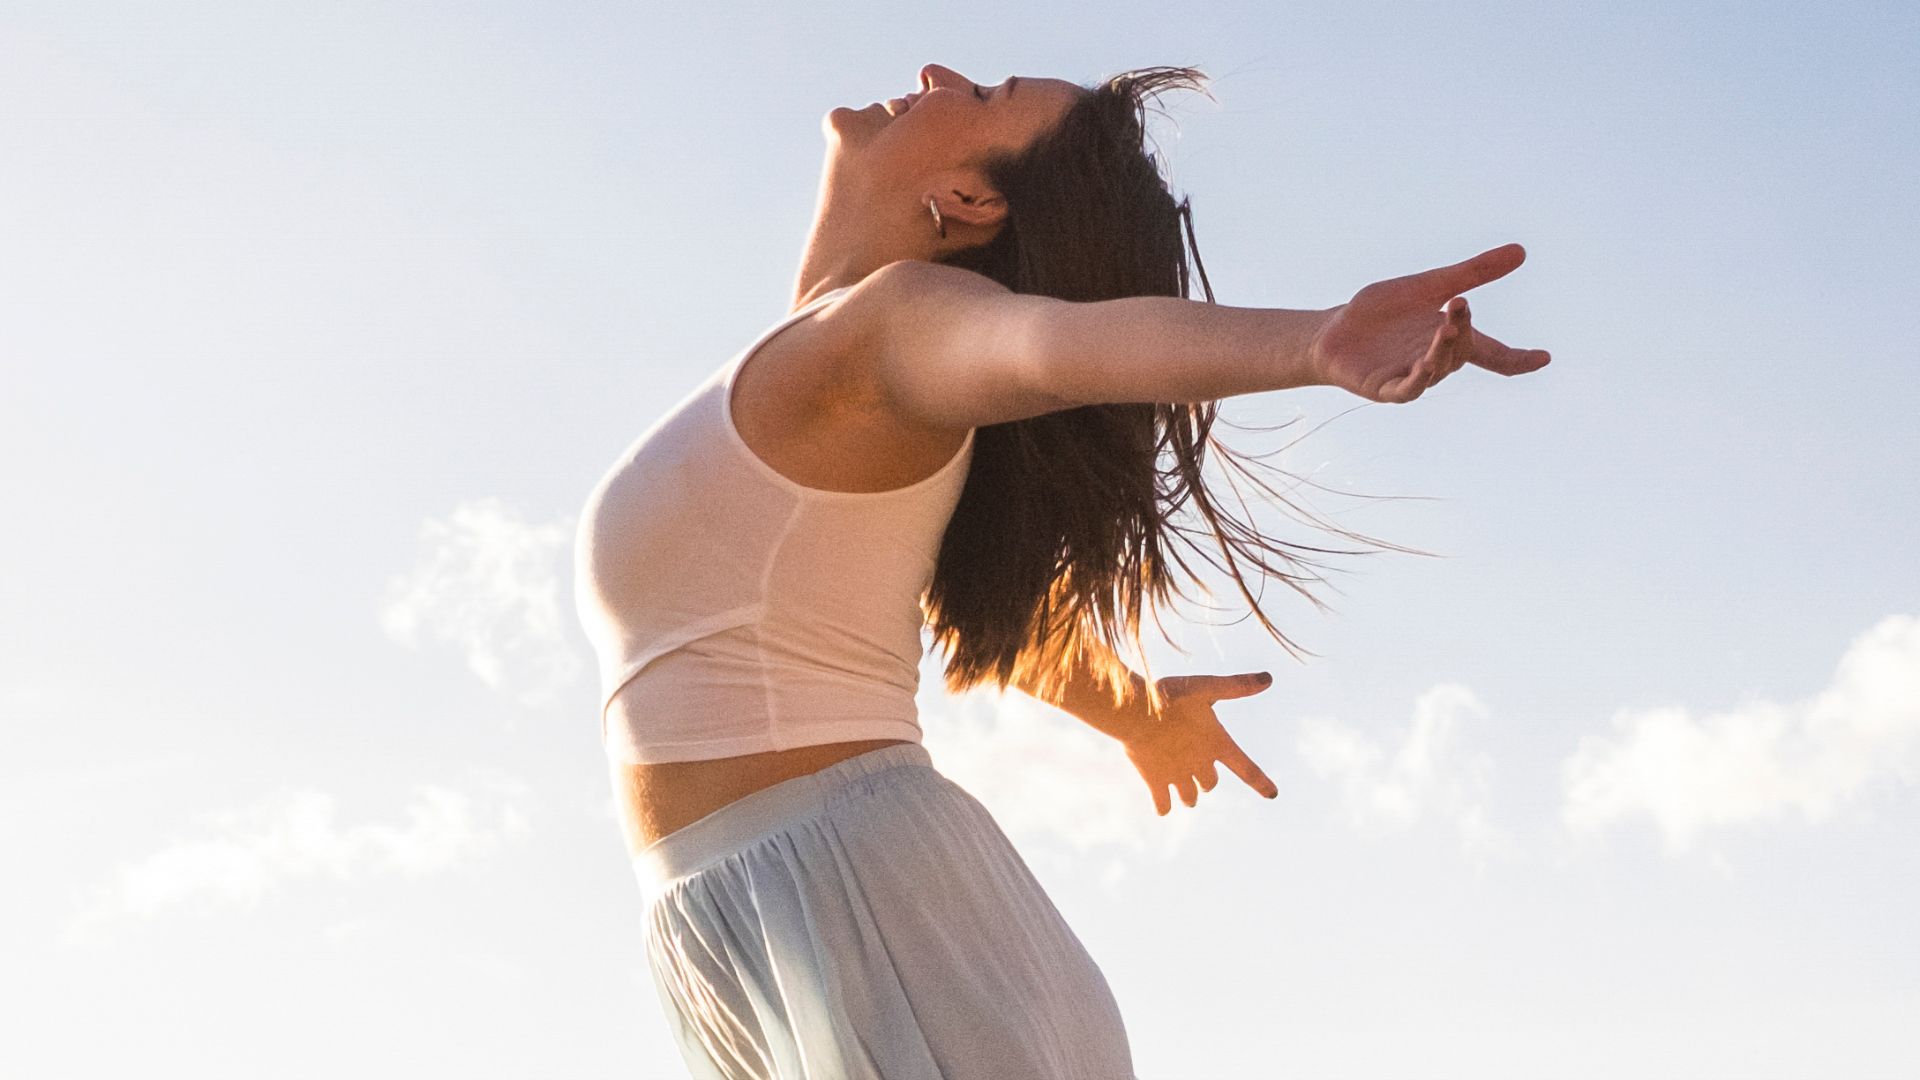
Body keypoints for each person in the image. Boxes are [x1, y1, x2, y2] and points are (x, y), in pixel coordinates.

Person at [573, 62, 1551, 1080]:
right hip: (752, 917)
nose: (937, 73)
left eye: (982, 96)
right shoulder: (827, 368)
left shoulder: (890, 324)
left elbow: (1056, 344)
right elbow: (981, 611)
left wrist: (1314, 343)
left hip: (863, 903)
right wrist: (1137, 715)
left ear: (968, 199)